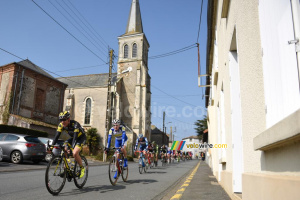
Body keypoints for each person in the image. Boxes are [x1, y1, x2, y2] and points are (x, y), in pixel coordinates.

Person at [52, 111, 86, 178]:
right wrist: (51, 146)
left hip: (81, 138)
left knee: (75, 153)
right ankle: (67, 167)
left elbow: (75, 138)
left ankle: (82, 168)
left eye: (64, 119)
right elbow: (57, 136)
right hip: (73, 138)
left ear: (68, 119)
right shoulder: (61, 125)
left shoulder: (75, 124)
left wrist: (72, 148)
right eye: (61, 120)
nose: (62, 121)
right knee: (64, 148)